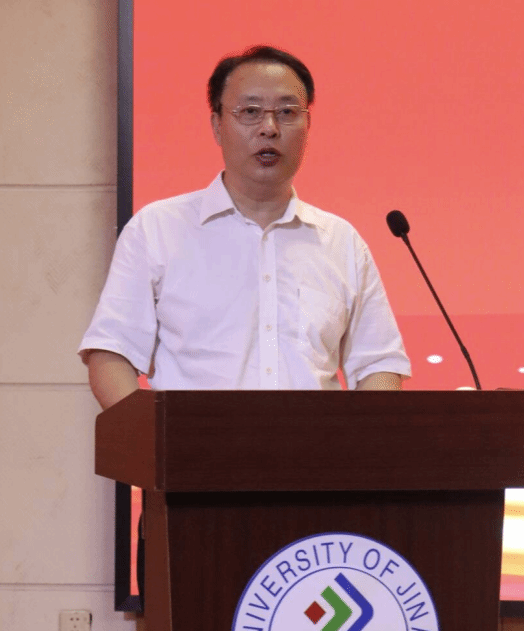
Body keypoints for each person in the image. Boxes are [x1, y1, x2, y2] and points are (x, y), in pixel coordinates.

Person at [79, 45, 411, 409]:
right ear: (217, 126)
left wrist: (360, 438)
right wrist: (147, 436)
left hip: (313, 446)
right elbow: (111, 353)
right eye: (250, 112)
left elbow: (379, 364)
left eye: (287, 112)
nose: (269, 128)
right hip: (193, 445)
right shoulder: (157, 229)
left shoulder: (341, 242)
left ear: (308, 126)